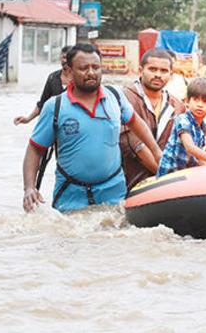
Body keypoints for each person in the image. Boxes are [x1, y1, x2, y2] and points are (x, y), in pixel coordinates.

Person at [21, 43, 162, 213]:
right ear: (70, 71)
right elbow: (35, 149)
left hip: (113, 192)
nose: (91, 72)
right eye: (83, 68)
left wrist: (156, 152)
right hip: (70, 193)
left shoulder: (115, 97)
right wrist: (29, 187)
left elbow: (136, 123)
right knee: (70, 236)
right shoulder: (55, 106)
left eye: (96, 67)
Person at [120, 49, 187, 191]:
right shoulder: (125, 98)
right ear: (140, 70)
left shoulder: (177, 106)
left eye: (164, 71)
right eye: (152, 69)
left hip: (166, 184)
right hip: (131, 183)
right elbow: (133, 144)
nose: (158, 74)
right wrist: (166, 178)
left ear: (171, 74)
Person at [157, 78, 206, 176]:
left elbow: (199, 157)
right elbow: (190, 147)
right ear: (187, 101)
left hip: (184, 174)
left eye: (205, 101)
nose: (200, 105)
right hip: (169, 174)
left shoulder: (203, 127)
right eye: (196, 100)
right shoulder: (183, 119)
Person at [14, 45, 73, 125]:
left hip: (72, 124)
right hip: (53, 123)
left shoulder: (79, 79)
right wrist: (28, 119)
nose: (66, 61)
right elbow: (43, 103)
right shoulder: (53, 78)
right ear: (60, 58)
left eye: (69, 58)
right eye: (64, 57)